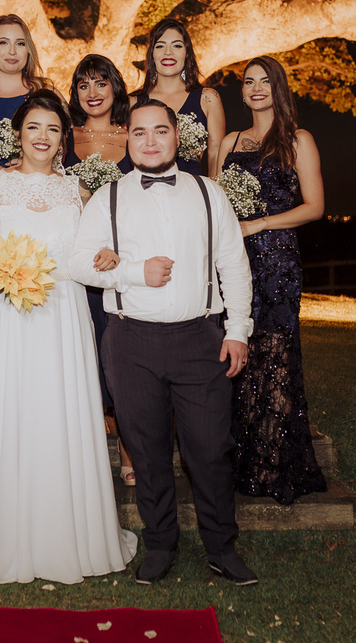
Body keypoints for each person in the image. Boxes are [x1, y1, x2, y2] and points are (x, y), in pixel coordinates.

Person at [68, 99, 259, 586]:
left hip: (200, 339)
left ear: (177, 136)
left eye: (160, 131)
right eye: (139, 133)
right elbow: (79, 264)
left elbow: (234, 265)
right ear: (126, 140)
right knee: (147, 450)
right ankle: (159, 545)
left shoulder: (209, 193)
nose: (150, 141)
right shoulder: (106, 196)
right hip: (130, 341)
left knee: (211, 449)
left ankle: (222, 547)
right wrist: (134, 274)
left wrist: (237, 330)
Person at [0, 90, 138, 584]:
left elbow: (88, 252)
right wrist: (1, 271)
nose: (42, 136)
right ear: (18, 133)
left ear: (64, 139)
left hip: (62, 312)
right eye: (33, 127)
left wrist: (107, 255)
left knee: (61, 413)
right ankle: (9, 535)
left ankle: (72, 535)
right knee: (12, 412)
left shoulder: (76, 189)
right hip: (6, 310)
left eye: (53, 129)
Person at [215, 56, 328, 505]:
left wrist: (260, 224)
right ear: (242, 93)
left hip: (277, 260)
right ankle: (241, 460)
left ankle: (275, 464)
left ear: (278, 88)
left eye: (265, 81)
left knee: (276, 355)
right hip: (233, 261)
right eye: (249, 82)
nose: (257, 88)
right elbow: (215, 201)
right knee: (238, 356)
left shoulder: (298, 139)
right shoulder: (228, 142)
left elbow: (315, 206)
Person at [63, 54, 136, 484]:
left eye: (100, 84)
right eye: (83, 85)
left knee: (122, 359)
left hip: (121, 256)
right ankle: (84, 463)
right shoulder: (64, 135)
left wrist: (119, 246)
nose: (92, 93)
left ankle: (130, 456)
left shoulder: (133, 133)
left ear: (115, 88)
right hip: (76, 258)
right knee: (82, 358)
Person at [130, 19, 225, 177]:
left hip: (194, 191)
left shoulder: (208, 98)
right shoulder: (133, 101)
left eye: (177, 46)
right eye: (160, 46)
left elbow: (216, 154)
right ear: (152, 54)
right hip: (144, 193)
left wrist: (213, 197)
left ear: (187, 53)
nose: (168, 52)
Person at [0, 15, 55, 167]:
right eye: (3, 42)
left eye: (20, 43)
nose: (12, 51)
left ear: (28, 50)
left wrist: (32, 163)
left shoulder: (47, 92)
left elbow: (66, 146)